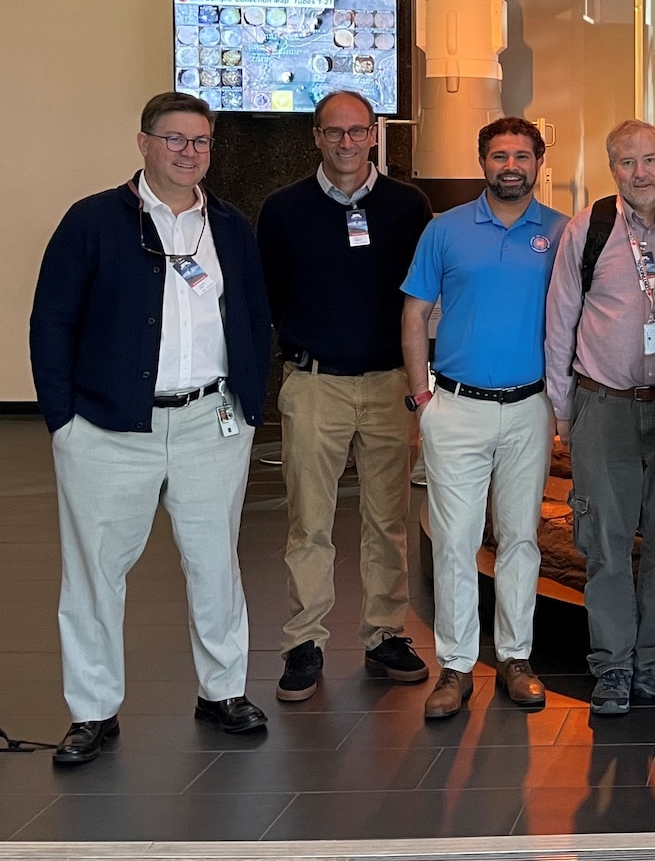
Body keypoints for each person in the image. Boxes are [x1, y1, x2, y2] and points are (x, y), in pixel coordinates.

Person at [30, 91, 273, 764]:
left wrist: (249, 405)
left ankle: (222, 691)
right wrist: (63, 421)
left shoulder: (228, 226)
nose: (188, 152)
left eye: (200, 141)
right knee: (95, 573)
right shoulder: (92, 221)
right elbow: (52, 321)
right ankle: (93, 711)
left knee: (215, 564)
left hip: (210, 422)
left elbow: (252, 315)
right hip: (108, 429)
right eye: (174, 139)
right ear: (143, 143)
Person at [258, 90, 434, 702]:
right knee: (310, 521)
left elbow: (422, 296)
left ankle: (385, 632)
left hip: (390, 385)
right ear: (316, 136)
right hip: (314, 384)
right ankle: (303, 641)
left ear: (374, 136)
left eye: (357, 131)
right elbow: (270, 297)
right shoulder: (283, 210)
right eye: (334, 132)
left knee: (389, 519)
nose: (346, 142)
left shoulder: (408, 206)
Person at [400, 116, 566, 719]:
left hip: (529, 407)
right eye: (500, 155)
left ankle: (516, 659)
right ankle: (456, 665)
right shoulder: (443, 231)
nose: (512, 165)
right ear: (483, 161)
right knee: (455, 541)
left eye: (523, 155)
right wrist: (422, 398)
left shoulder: (560, 232)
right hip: (456, 407)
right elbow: (415, 313)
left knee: (521, 538)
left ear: (539, 163)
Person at [543, 120, 655, 717]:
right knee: (605, 545)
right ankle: (613, 667)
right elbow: (560, 323)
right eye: (625, 163)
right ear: (611, 169)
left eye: (649, 160)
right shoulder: (588, 229)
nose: (640, 173)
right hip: (604, 405)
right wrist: (567, 415)